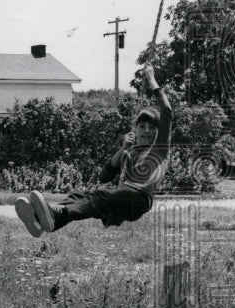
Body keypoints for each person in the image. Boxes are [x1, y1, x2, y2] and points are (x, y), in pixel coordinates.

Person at [15, 62, 172, 236]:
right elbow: (104, 177)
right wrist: (122, 150)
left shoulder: (159, 148)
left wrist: (151, 79)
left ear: (158, 131)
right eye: (142, 126)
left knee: (100, 196)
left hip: (139, 199)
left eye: (152, 127)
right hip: (121, 197)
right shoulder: (130, 152)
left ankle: (53, 213)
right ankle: (44, 219)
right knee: (80, 196)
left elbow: (166, 110)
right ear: (135, 129)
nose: (147, 131)